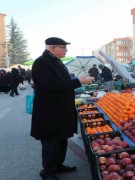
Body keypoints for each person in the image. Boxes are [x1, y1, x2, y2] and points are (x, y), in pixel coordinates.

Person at [31, 37, 94, 180]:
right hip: (50, 112)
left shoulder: (56, 61)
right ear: (52, 47)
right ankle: (47, 173)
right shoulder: (41, 62)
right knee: (51, 143)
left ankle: (58, 165)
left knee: (61, 140)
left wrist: (77, 80)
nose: (66, 50)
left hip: (59, 110)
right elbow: (51, 86)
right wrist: (79, 81)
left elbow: (63, 82)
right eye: (63, 47)